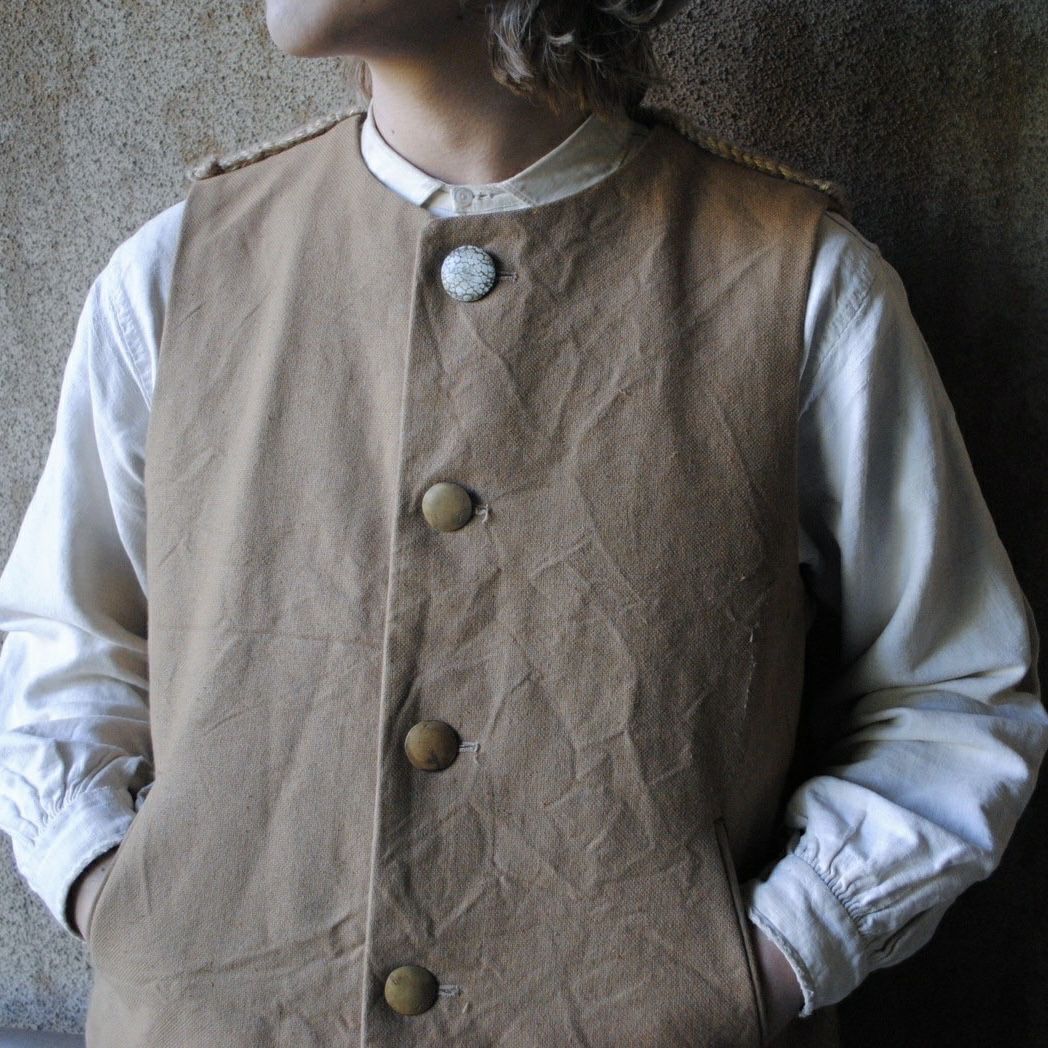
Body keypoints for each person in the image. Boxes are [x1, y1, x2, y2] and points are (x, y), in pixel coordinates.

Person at [0, 1, 1044, 1044]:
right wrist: (112, 893)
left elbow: (950, 693)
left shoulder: (797, 284)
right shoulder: (178, 274)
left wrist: (755, 966)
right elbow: (63, 647)